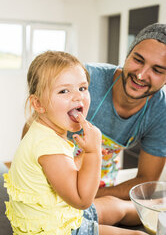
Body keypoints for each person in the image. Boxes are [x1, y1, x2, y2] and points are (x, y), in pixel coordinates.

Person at [3, 51, 147, 235]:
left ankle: (157, 210)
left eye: (83, 88)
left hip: (58, 213)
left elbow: (62, 173)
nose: (78, 97)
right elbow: (82, 200)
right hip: (56, 229)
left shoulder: (46, 131)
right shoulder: (49, 146)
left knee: (115, 206)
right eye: (64, 91)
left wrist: (80, 160)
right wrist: (93, 153)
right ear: (38, 104)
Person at [84, 23, 166, 199]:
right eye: (138, 60)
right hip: (51, 177)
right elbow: (33, 129)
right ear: (127, 56)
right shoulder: (85, 78)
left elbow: (146, 182)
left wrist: (85, 198)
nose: (141, 75)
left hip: (99, 186)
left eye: (157, 70)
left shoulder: (161, 112)